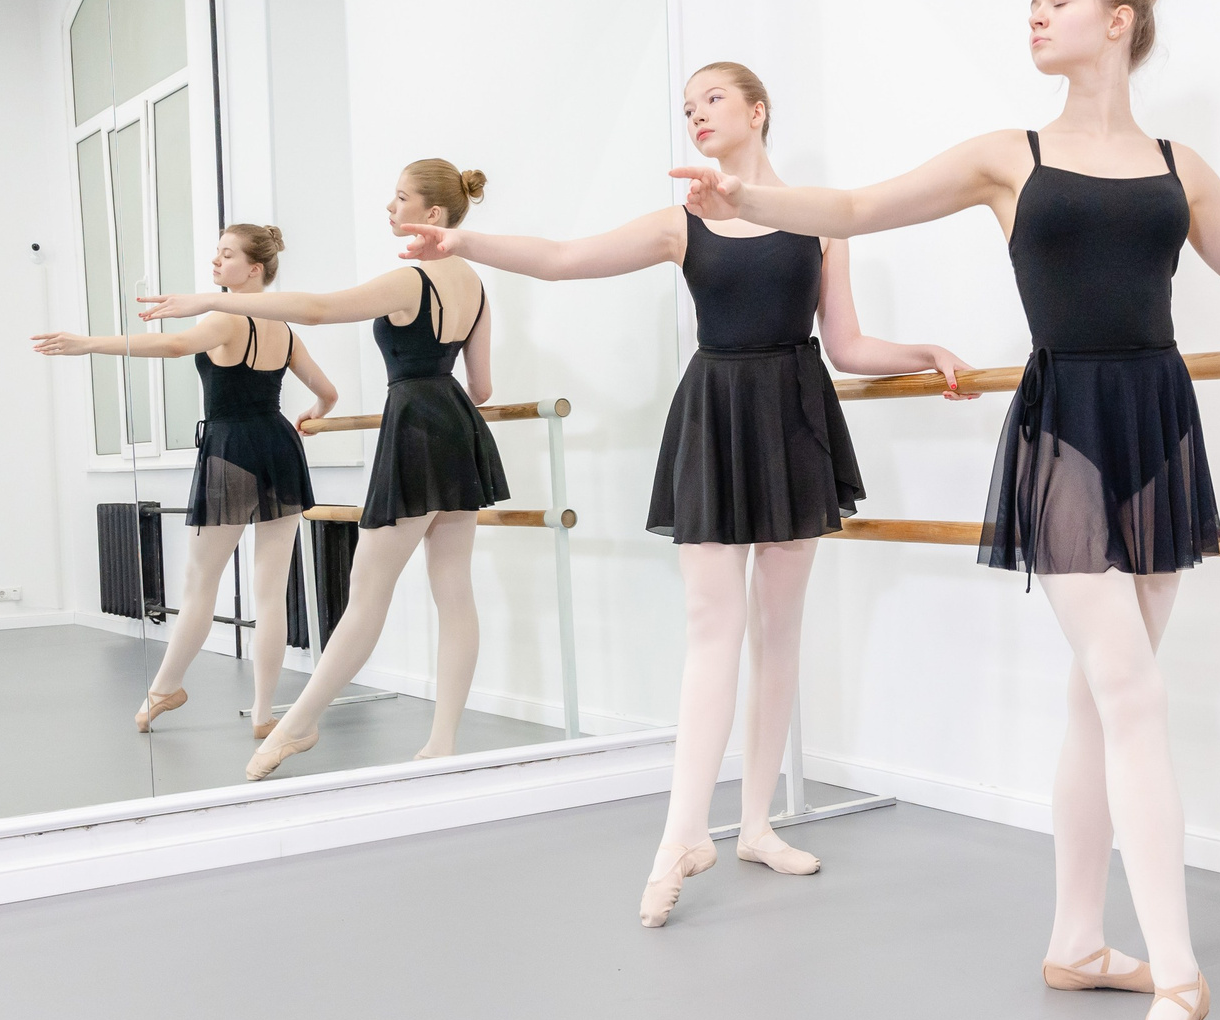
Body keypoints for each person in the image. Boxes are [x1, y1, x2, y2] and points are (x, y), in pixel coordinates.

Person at [670, 0, 1220, 1020]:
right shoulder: (1009, 156)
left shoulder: (1179, 167)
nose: (1034, 16)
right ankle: (1181, 974)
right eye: (1030, 2)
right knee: (1132, 689)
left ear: (1118, 21)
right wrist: (749, 201)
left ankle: (1078, 939)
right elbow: (852, 208)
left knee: (1102, 697)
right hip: (1068, 426)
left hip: (1158, 421)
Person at [399, 62, 975, 927]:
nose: (697, 115)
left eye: (712, 99)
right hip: (715, 413)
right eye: (687, 106)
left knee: (780, 631)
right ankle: (680, 835)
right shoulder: (683, 221)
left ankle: (753, 824)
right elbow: (562, 262)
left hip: (792, 416)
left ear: (757, 110)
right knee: (714, 628)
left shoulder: (819, 219)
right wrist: (464, 244)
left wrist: (923, 350)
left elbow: (846, 344)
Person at [142, 162, 507, 779]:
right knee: (455, 591)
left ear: (434, 215)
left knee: (367, 593)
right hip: (459, 427)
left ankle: (299, 723)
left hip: (415, 426)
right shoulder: (475, 284)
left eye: (400, 199)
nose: (390, 209)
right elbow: (484, 385)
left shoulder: (410, 280)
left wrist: (207, 300)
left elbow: (313, 308)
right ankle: (442, 741)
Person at [34, 224, 333, 735]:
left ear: (254, 268)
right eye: (216, 253)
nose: (216, 262)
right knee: (269, 591)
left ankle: (164, 689)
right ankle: (263, 714)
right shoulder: (284, 328)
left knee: (200, 585)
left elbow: (174, 346)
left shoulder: (226, 317)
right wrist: (310, 415)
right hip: (279, 448)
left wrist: (88, 343)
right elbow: (327, 392)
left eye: (227, 255)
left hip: (232, 451)